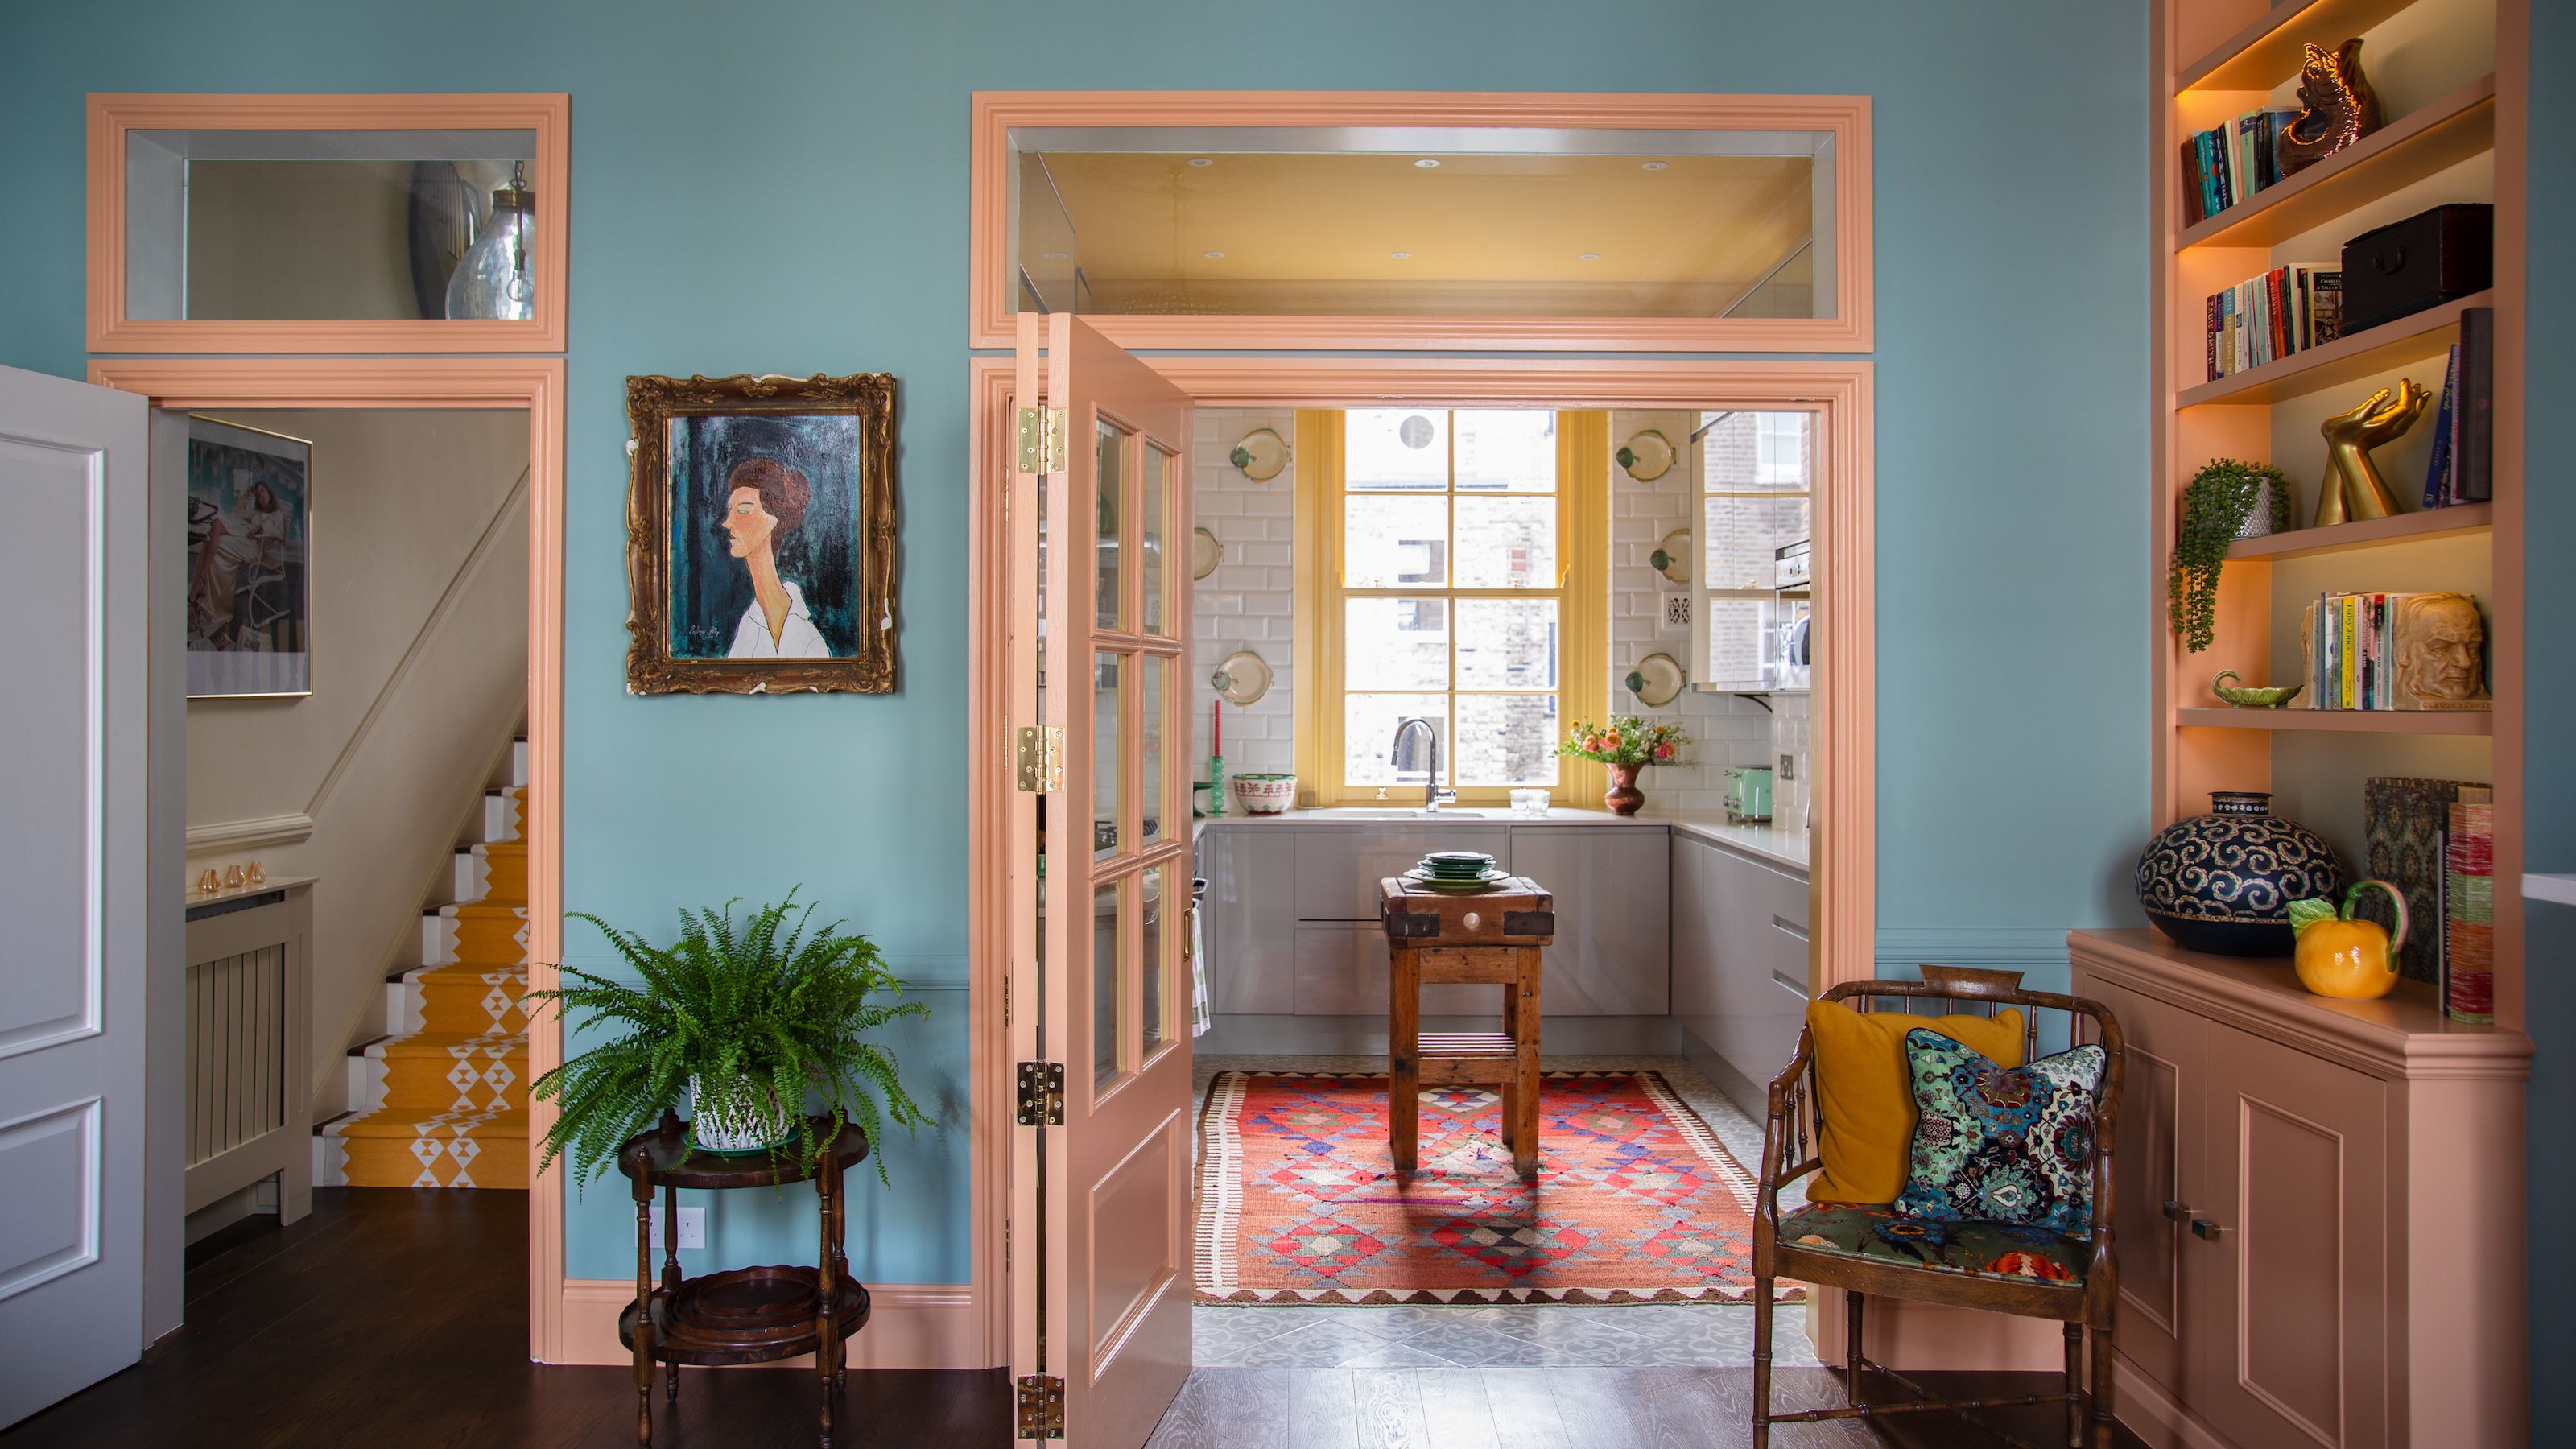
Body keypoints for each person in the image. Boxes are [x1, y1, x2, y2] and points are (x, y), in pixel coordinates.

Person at [720, 457, 832, 659]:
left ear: (772, 520)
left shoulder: (809, 641)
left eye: (743, 510)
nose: (727, 523)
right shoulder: (748, 625)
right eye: (731, 510)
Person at [189, 476, 289, 649]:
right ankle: (203, 587)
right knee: (214, 536)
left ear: (269, 493)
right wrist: (248, 491)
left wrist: (261, 527)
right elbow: (239, 511)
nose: (260, 496)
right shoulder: (257, 513)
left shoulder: (276, 515)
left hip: (255, 547)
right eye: (257, 494)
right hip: (245, 538)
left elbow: (281, 536)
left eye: (262, 492)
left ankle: (201, 588)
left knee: (214, 543)